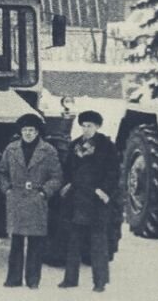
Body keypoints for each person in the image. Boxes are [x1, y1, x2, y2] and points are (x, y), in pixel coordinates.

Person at [0, 114, 63, 289]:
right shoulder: (11, 149)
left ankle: (33, 280)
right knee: (16, 242)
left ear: (37, 132)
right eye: (25, 130)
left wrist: (44, 192)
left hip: (36, 201)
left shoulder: (48, 151)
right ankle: (13, 279)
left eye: (31, 130)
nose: (28, 133)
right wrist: (7, 189)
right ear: (20, 131)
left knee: (36, 243)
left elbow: (56, 177)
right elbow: (2, 172)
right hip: (17, 200)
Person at [59, 110, 119, 293]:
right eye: (83, 126)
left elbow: (114, 171)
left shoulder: (107, 146)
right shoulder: (74, 145)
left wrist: (104, 191)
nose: (86, 129)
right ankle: (70, 279)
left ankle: (100, 282)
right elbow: (67, 169)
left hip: (96, 201)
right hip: (77, 200)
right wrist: (67, 185)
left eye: (90, 126)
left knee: (98, 244)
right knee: (74, 242)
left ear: (97, 127)